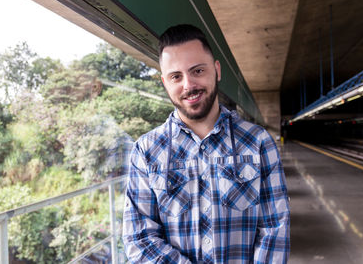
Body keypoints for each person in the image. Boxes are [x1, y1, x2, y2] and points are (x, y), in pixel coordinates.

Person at [122, 24, 290, 264]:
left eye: (197, 71)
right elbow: (139, 239)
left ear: (217, 70)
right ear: (164, 82)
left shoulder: (259, 142)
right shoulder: (146, 151)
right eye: (176, 76)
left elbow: (275, 230)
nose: (188, 85)